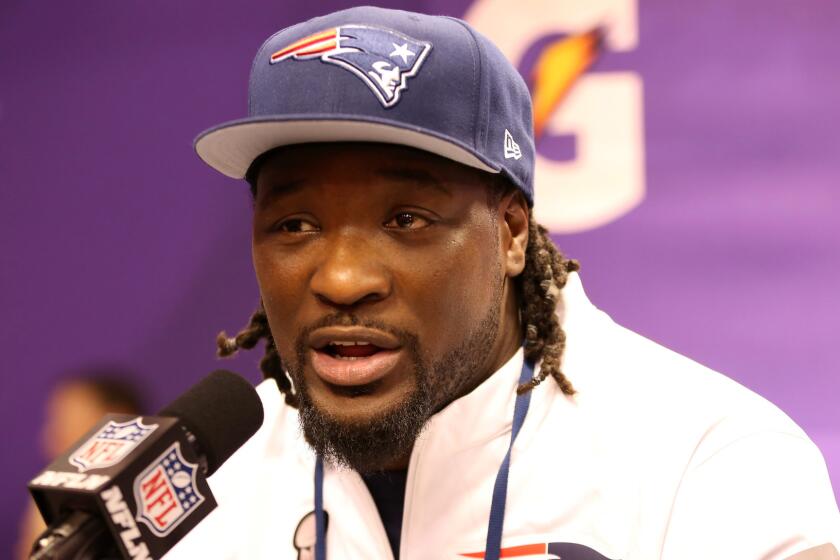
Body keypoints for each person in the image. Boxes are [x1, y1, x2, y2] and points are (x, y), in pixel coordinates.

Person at [168, 6, 840, 560]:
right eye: (294, 224)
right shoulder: (203, 485)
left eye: (406, 219)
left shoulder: (711, 460)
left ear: (512, 233)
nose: (343, 279)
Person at [15, 368, 145, 560]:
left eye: (67, 421)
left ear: (120, 418)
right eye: (55, 423)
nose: (51, 438)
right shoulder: (50, 502)